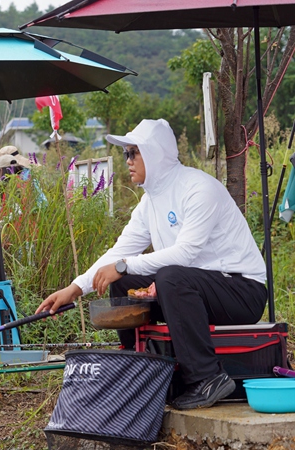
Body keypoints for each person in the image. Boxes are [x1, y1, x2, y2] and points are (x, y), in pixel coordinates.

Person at [35, 119, 267, 410]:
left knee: (168, 276)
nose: (127, 161)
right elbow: (120, 252)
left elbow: (185, 255)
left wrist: (123, 266)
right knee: (122, 281)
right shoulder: (149, 202)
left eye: (133, 153)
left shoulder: (198, 188)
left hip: (243, 291)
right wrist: (74, 289)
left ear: (154, 153)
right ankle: (138, 367)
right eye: (125, 154)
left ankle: (208, 378)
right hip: (195, 290)